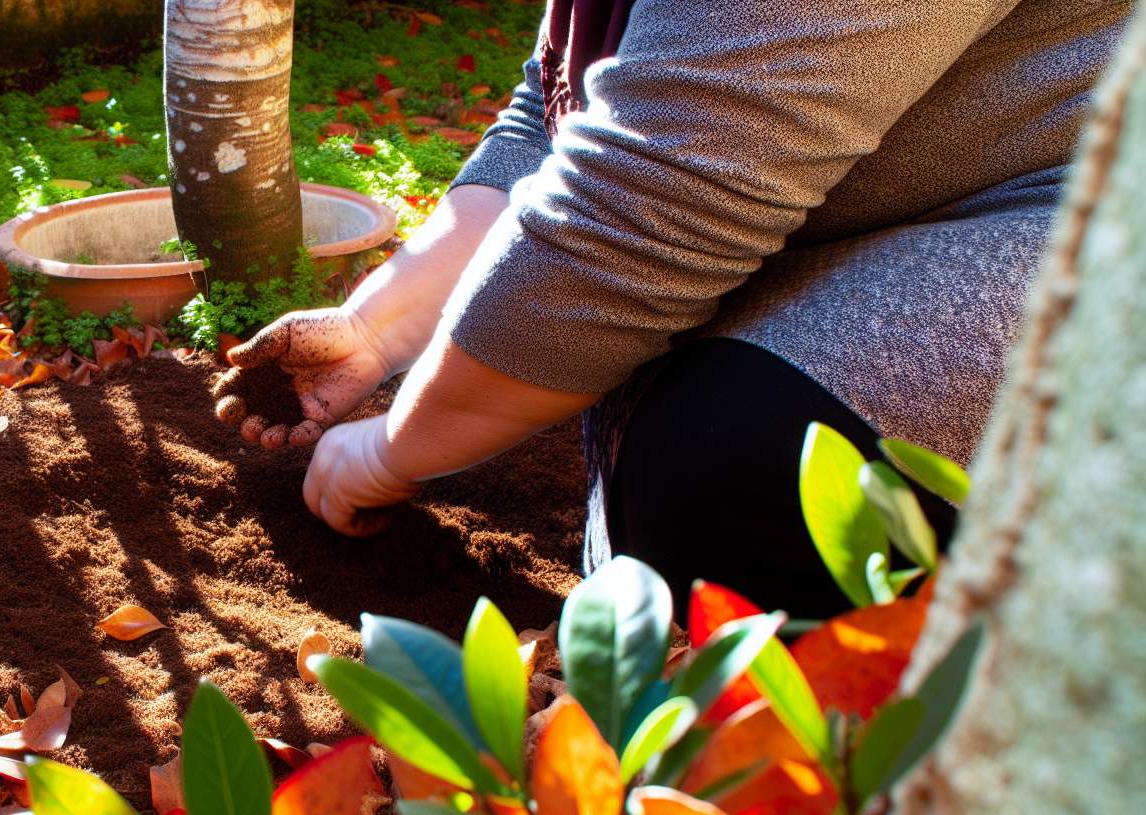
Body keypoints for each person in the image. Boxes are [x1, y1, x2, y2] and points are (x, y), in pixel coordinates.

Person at [212, 0, 1130, 618]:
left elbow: (652, 199)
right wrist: (377, 330)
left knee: (730, 456)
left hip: (1086, 221)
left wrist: (388, 452)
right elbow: (567, 105)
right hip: (865, 212)